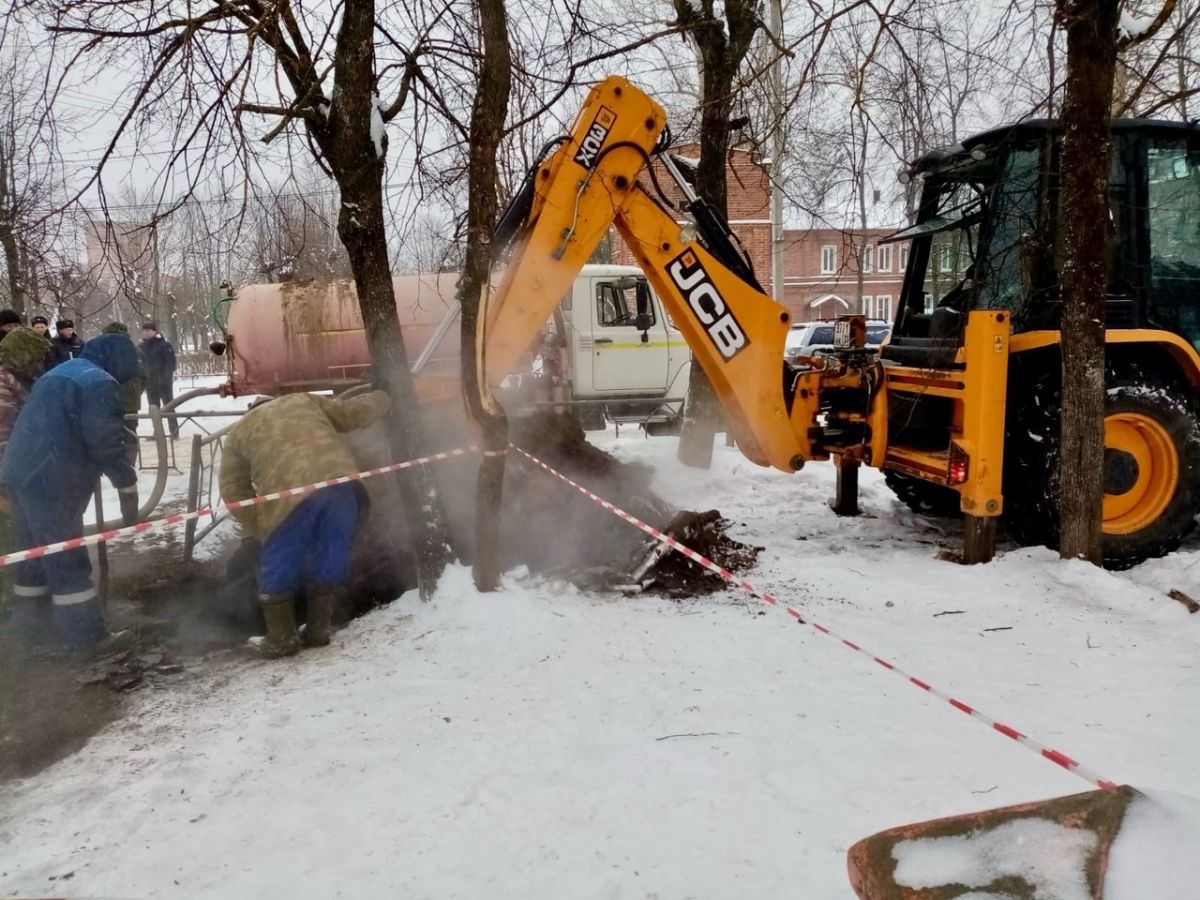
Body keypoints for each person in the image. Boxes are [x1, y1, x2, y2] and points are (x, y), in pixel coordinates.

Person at [218, 390, 391, 658]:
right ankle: (318, 630)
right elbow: (351, 413)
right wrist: (383, 396)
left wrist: (263, 524)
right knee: (331, 552)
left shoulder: (239, 432)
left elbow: (233, 492)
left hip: (291, 499)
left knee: (280, 561)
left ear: (251, 410)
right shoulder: (303, 400)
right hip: (343, 487)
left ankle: (281, 639)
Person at [1, 333, 143, 655]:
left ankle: (30, 629)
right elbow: (104, 440)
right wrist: (126, 485)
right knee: (66, 556)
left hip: (20, 472)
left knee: (31, 554)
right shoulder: (99, 383)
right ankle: (88, 638)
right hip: (51, 478)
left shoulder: (62, 372)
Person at [0, 326, 53, 624]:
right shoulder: (2, 385)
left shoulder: (11, 379)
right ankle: (12, 613)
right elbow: (4, 437)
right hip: (7, 476)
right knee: (8, 543)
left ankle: (27, 608)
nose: (38, 365)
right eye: (35, 358)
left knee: (20, 541)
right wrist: (7, 482)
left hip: (14, 473)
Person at [139, 321, 178, 438]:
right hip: (150, 383)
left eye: (148, 330)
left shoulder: (164, 345)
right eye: (144, 331)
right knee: (154, 410)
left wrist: (165, 378)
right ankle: (157, 433)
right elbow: (140, 365)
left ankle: (174, 432)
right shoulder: (141, 347)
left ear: (154, 331)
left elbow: (170, 364)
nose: (146, 333)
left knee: (169, 407)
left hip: (164, 383)